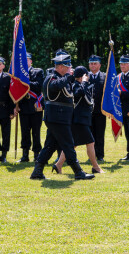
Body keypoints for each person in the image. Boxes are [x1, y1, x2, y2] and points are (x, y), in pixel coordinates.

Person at [30, 52, 94, 180]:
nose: (70, 69)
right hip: (57, 118)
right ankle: (78, 172)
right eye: (68, 67)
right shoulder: (51, 78)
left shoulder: (63, 79)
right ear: (60, 67)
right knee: (68, 144)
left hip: (61, 118)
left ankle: (37, 171)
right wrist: (70, 77)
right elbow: (55, 87)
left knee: (50, 145)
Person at [52, 66, 104, 174]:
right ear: (82, 76)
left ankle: (58, 165)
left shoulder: (82, 85)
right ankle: (96, 167)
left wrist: (84, 84)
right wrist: (84, 83)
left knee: (72, 145)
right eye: (86, 76)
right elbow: (77, 94)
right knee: (90, 142)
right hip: (78, 120)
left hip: (83, 119)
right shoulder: (75, 85)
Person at [16, 52, 44, 163]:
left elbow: (38, 86)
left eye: (27, 60)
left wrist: (25, 81)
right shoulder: (17, 73)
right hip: (23, 106)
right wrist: (16, 105)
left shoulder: (38, 71)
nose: (25, 62)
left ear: (30, 61)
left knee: (36, 132)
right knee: (25, 132)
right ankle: (25, 155)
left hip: (35, 107)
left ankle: (37, 155)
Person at [88, 55, 107, 162]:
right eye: (91, 63)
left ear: (99, 65)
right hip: (88, 111)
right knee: (90, 135)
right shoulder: (85, 76)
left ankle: (100, 155)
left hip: (101, 111)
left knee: (100, 134)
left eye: (95, 63)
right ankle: (91, 155)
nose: (93, 65)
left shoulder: (104, 76)